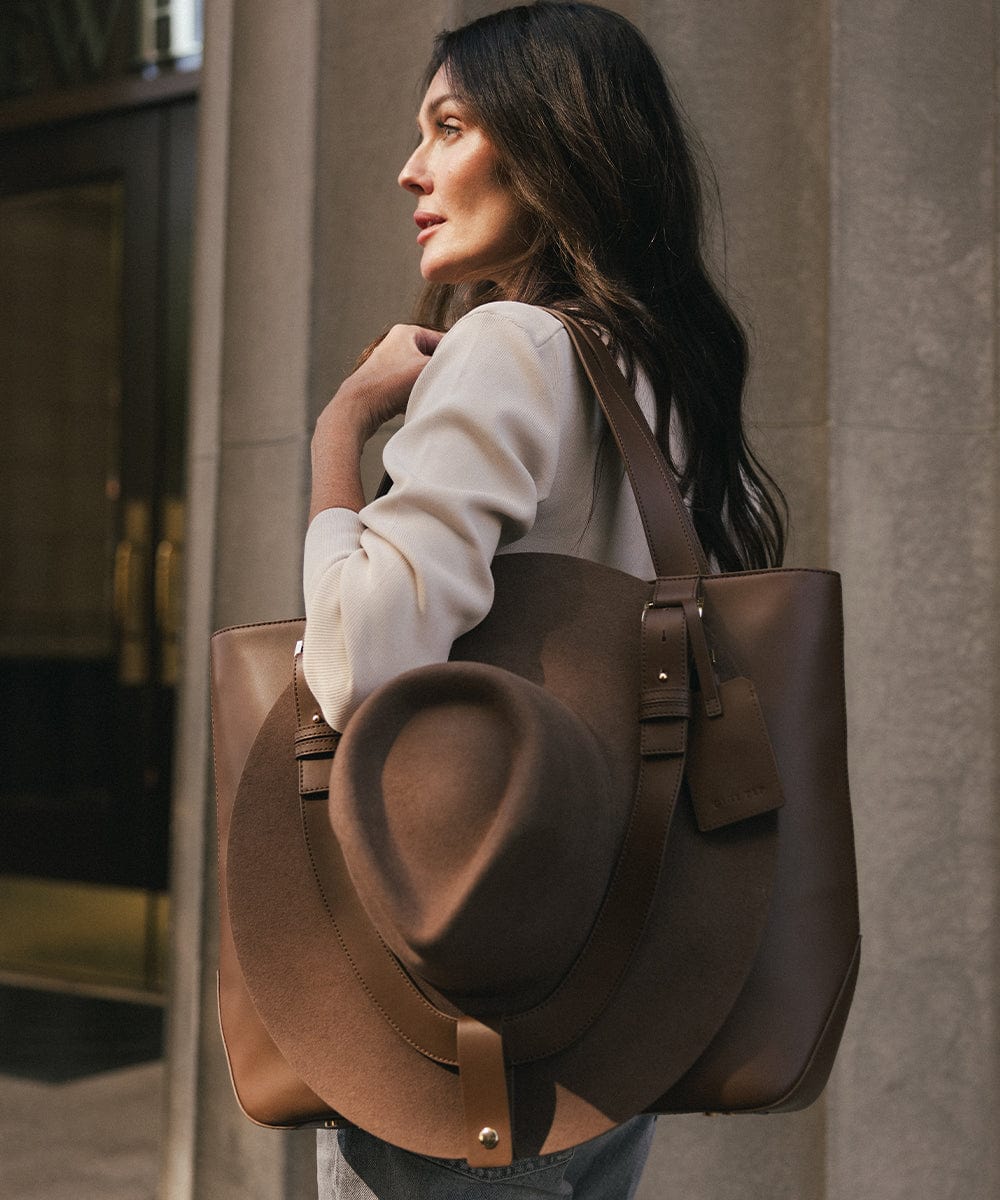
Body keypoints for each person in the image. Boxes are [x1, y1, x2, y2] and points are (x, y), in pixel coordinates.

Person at [303, 3, 785, 1196]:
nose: (411, 167)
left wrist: (338, 434)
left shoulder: (509, 345)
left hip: (466, 999)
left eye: (449, 126)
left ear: (548, 144)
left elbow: (364, 660)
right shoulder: (655, 376)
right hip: (619, 995)